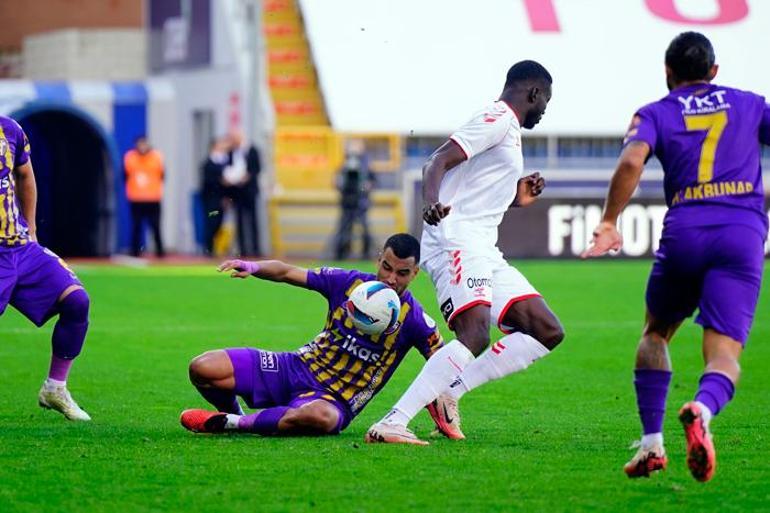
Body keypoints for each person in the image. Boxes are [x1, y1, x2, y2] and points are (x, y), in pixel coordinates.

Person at [582, 32, 770, 482]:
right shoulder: (750, 104)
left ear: (668, 73)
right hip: (742, 232)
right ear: (714, 71)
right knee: (723, 354)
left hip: (685, 230)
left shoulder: (657, 112)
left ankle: (651, 445)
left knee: (655, 333)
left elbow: (631, 162)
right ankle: (702, 408)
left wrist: (609, 222)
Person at [366, 61, 565, 445]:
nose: (544, 111)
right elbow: (436, 161)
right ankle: (394, 421)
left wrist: (515, 197)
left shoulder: (507, 130)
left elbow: (474, 194)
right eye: (546, 103)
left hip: (482, 246)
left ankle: (448, 393)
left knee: (546, 330)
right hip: (456, 241)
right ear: (534, 93)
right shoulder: (497, 117)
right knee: (473, 334)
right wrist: (431, 202)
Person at [180, 233, 458, 439]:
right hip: (295, 367)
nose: (391, 279)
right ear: (379, 259)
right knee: (203, 368)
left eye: (402, 273)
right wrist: (254, 267)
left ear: (415, 274)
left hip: (333, 400)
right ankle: (236, 414)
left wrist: (444, 411)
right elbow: (289, 272)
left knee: (320, 418)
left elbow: (445, 363)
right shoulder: (348, 282)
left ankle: (231, 424)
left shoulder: (415, 320)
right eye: (386, 267)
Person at [0, 115, 91, 421]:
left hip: (21, 247)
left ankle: (55, 387)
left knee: (77, 301)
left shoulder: (10, 129)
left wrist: (32, 230)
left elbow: (25, 175)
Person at [334, 139, 376, 260]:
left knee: (364, 230)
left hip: (361, 203)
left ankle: (365, 254)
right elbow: (337, 182)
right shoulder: (344, 165)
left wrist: (367, 186)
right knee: (344, 230)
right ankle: (341, 254)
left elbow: (373, 181)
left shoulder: (366, 166)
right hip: (346, 203)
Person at [124, 135, 165, 257]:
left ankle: (160, 252)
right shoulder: (130, 157)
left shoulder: (156, 156)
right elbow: (125, 175)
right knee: (136, 226)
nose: (142, 147)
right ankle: (135, 252)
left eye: (144, 144)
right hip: (136, 198)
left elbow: (162, 175)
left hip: (153, 198)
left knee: (155, 226)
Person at [223, 129, 262, 256]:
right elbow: (227, 169)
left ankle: (255, 249)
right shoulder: (230, 153)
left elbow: (257, 169)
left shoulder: (252, 150)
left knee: (252, 220)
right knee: (238, 221)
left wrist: (248, 176)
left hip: (250, 191)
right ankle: (243, 249)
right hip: (236, 192)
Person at [200, 137, 230, 256]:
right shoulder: (208, 163)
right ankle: (208, 249)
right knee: (211, 221)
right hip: (211, 200)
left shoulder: (224, 161)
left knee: (219, 222)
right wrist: (220, 181)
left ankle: (213, 247)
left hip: (221, 199)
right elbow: (208, 182)